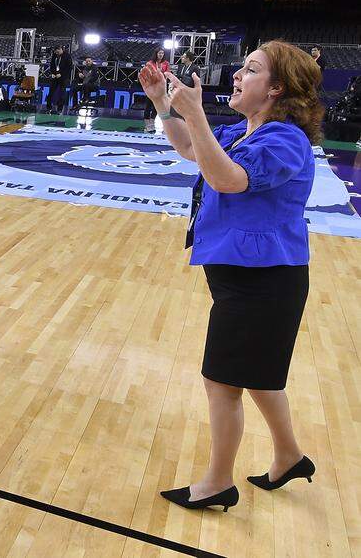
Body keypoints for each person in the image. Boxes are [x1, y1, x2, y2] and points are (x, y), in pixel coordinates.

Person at [138, 40, 323, 513]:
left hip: (264, 282)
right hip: (249, 278)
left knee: (223, 381)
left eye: (251, 69)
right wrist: (163, 101)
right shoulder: (244, 131)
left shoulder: (286, 140)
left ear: (276, 89)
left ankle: (218, 482)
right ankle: (289, 456)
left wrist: (195, 114)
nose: (237, 75)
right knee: (259, 377)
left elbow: (228, 180)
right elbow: (188, 147)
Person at [143, 46, 172, 131]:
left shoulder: (166, 63)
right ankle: (147, 125)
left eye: (162, 53)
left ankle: (152, 124)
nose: (161, 55)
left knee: (157, 107)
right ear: (156, 54)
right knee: (148, 106)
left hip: (161, 89)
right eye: (159, 53)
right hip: (151, 88)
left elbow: (167, 74)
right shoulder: (150, 63)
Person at [45, 45, 73, 113]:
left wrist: (61, 74)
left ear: (61, 49)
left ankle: (60, 109)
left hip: (63, 78)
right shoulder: (54, 55)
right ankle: (48, 108)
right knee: (51, 92)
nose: (56, 53)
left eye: (58, 52)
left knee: (62, 93)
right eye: (55, 52)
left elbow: (69, 67)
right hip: (55, 77)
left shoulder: (67, 56)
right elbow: (52, 65)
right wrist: (53, 73)